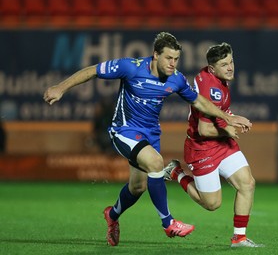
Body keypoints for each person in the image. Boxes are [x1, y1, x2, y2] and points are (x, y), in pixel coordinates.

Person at [43, 32, 252, 246]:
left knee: (137, 187)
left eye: (176, 59)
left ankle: (112, 215)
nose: (173, 63)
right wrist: (61, 88)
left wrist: (227, 116)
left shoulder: (176, 79)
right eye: (168, 58)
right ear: (155, 55)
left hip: (150, 134)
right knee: (155, 162)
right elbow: (92, 71)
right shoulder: (130, 67)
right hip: (124, 130)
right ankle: (168, 223)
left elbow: (198, 101)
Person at [164, 42, 263, 248]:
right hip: (202, 148)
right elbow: (204, 130)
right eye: (225, 64)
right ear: (212, 68)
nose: (230, 67)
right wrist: (228, 127)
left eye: (231, 61)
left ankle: (239, 238)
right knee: (212, 204)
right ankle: (176, 173)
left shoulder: (218, 79)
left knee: (247, 183)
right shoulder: (211, 89)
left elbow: (219, 115)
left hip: (221, 144)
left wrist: (232, 119)